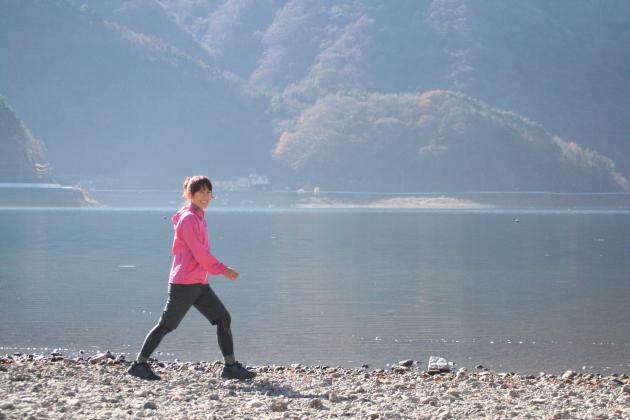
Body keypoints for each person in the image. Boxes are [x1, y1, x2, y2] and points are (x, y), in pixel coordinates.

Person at [127, 175, 256, 381]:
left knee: (222, 318)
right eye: (201, 192)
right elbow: (199, 253)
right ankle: (139, 364)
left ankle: (230, 367)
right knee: (167, 325)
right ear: (190, 194)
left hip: (198, 282)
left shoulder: (198, 216)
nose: (206, 196)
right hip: (185, 283)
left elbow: (200, 252)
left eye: (208, 192)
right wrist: (223, 269)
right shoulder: (188, 219)